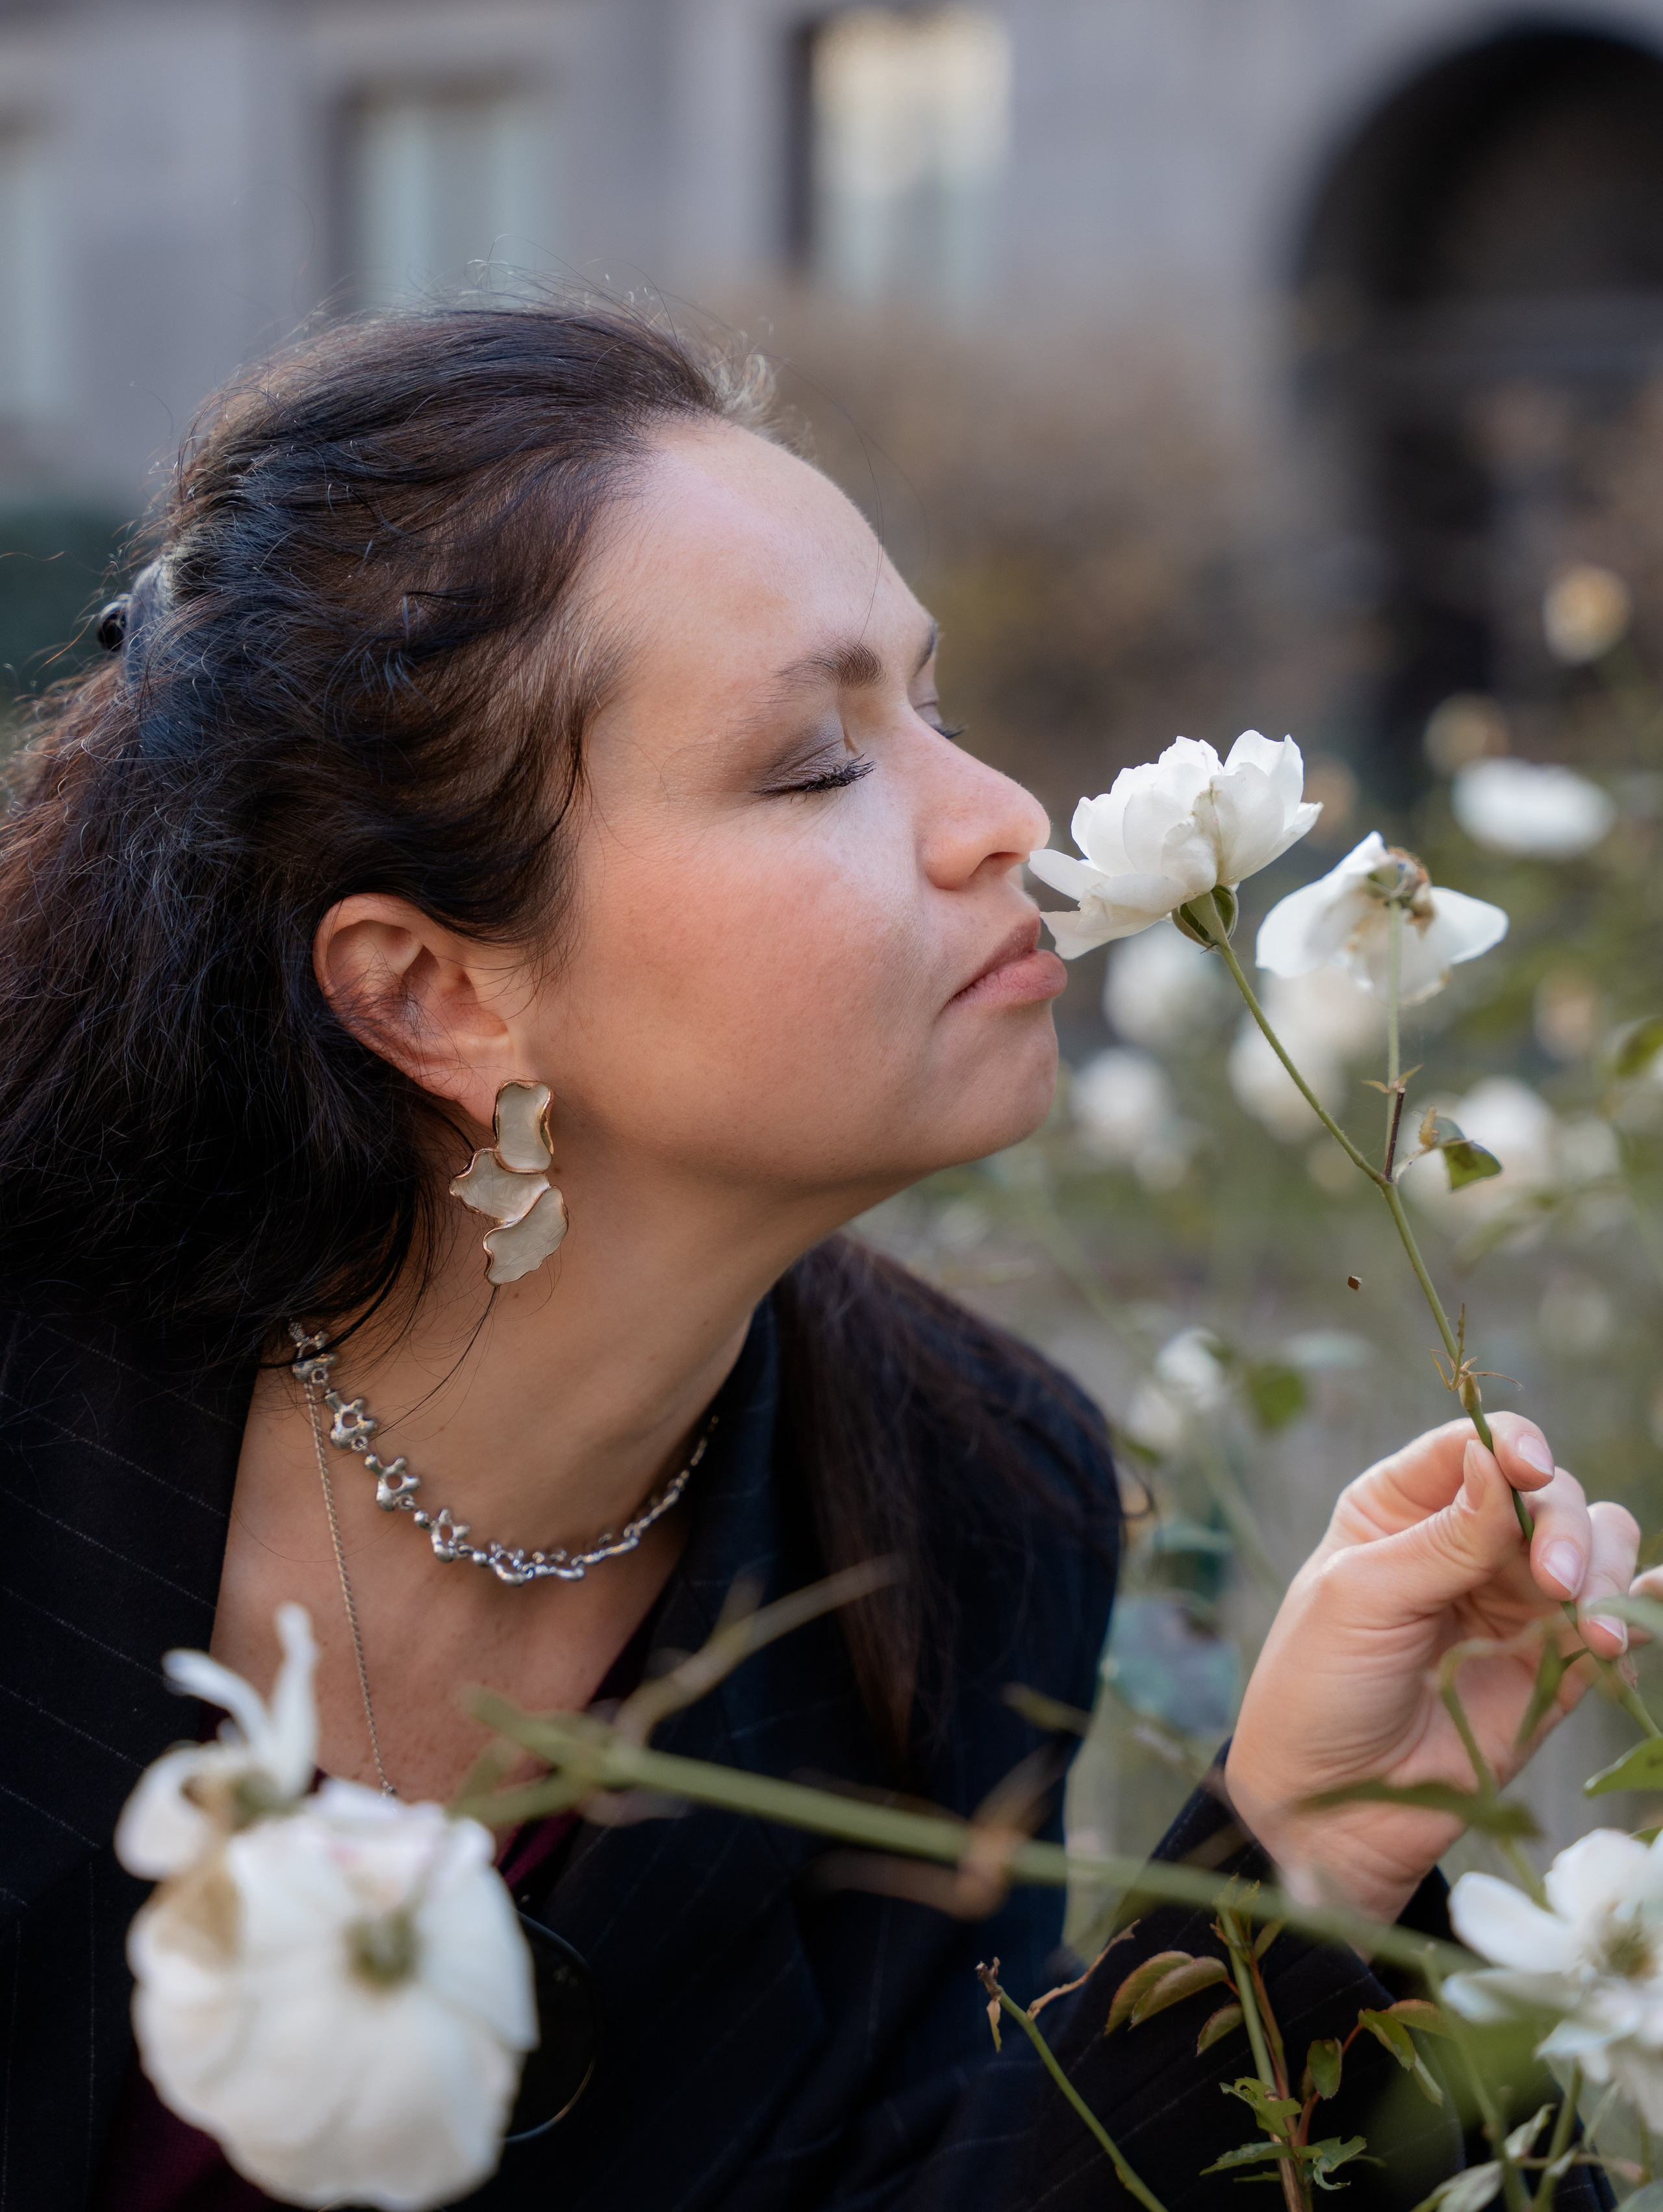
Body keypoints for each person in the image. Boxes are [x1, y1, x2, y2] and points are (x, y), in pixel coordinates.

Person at [0, 302, 1643, 2212]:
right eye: (815, 763)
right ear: (434, 992)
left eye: (928, 708)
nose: (1007, 821)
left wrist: (1296, 1848)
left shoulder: (969, 1504)